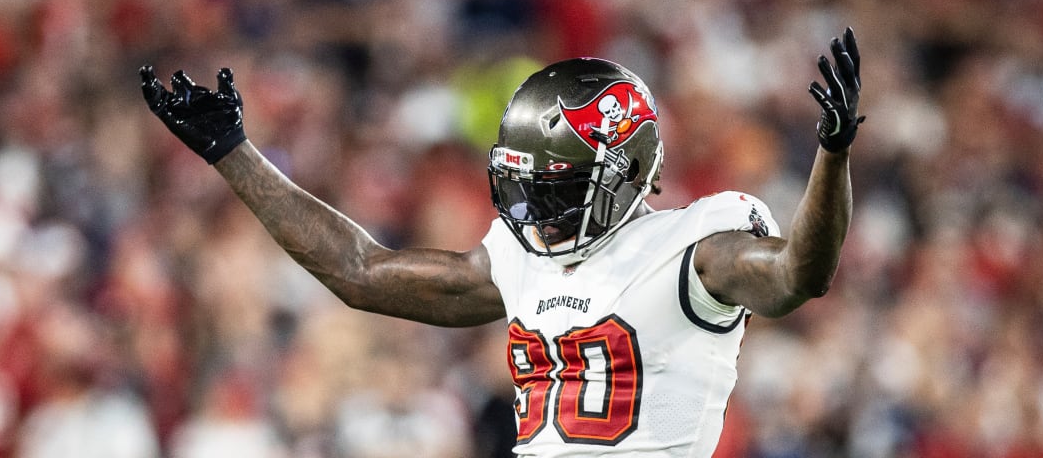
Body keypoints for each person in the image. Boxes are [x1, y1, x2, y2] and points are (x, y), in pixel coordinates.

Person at [138, 27, 864, 458]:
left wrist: (831, 157)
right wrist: (233, 152)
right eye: (526, 187)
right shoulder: (518, 259)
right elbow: (359, 271)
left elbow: (801, 273)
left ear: (626, 172)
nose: (535, 208)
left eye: (556, 188)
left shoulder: (697, 247)